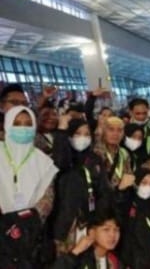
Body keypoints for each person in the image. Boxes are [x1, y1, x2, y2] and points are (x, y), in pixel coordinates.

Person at [0, 106, 59, 266]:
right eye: (17, 123)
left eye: (27, 124)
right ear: (7, 125)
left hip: (31, 234)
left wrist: (23, 224)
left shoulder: (43, 161)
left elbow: (47, 200)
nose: (23, 128)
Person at [52, 117, 113, 256]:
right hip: (67, 224)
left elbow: (104, 190)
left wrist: (98, 220)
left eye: (87, 134)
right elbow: (60, 160)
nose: (82, 138)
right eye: (78, 134)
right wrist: (61, 132)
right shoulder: (65, 159)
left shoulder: (94, 160)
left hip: (90, 222)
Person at [52, 209, 124, 269]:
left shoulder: (116, 262)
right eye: (106, 229)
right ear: (92, 232)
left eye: (116, 230)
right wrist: (75, 252)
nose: (112, 235)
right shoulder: (79, 258)